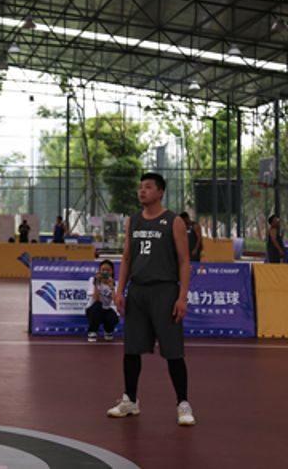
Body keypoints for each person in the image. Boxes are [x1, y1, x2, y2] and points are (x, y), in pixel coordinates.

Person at [108, 172, 196, 426]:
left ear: (160, 192)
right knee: (131, 349)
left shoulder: (173, 221)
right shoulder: (133, 221)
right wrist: (120, 290)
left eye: (148, 187)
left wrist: (182, 297)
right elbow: (127, 257)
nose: (142, 191)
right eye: (140, 187)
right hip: (138, 291)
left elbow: (184, 261)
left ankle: (183, 404)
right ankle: (130, 399)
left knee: (173, 351)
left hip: (164, 291)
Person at [85, 260, 119, 342]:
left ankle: (108, 331)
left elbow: (116, 302)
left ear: (112, 272)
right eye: (103, 270)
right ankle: (92, 332)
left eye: (108, 270)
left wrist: (112, 287)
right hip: (93, 309)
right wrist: (97, 283)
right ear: (99, 271)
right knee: (98, 305)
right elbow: (96, 298)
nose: (105, 272)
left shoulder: (114, 283)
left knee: (113, 317)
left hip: (106, 309)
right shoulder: (93, 280)